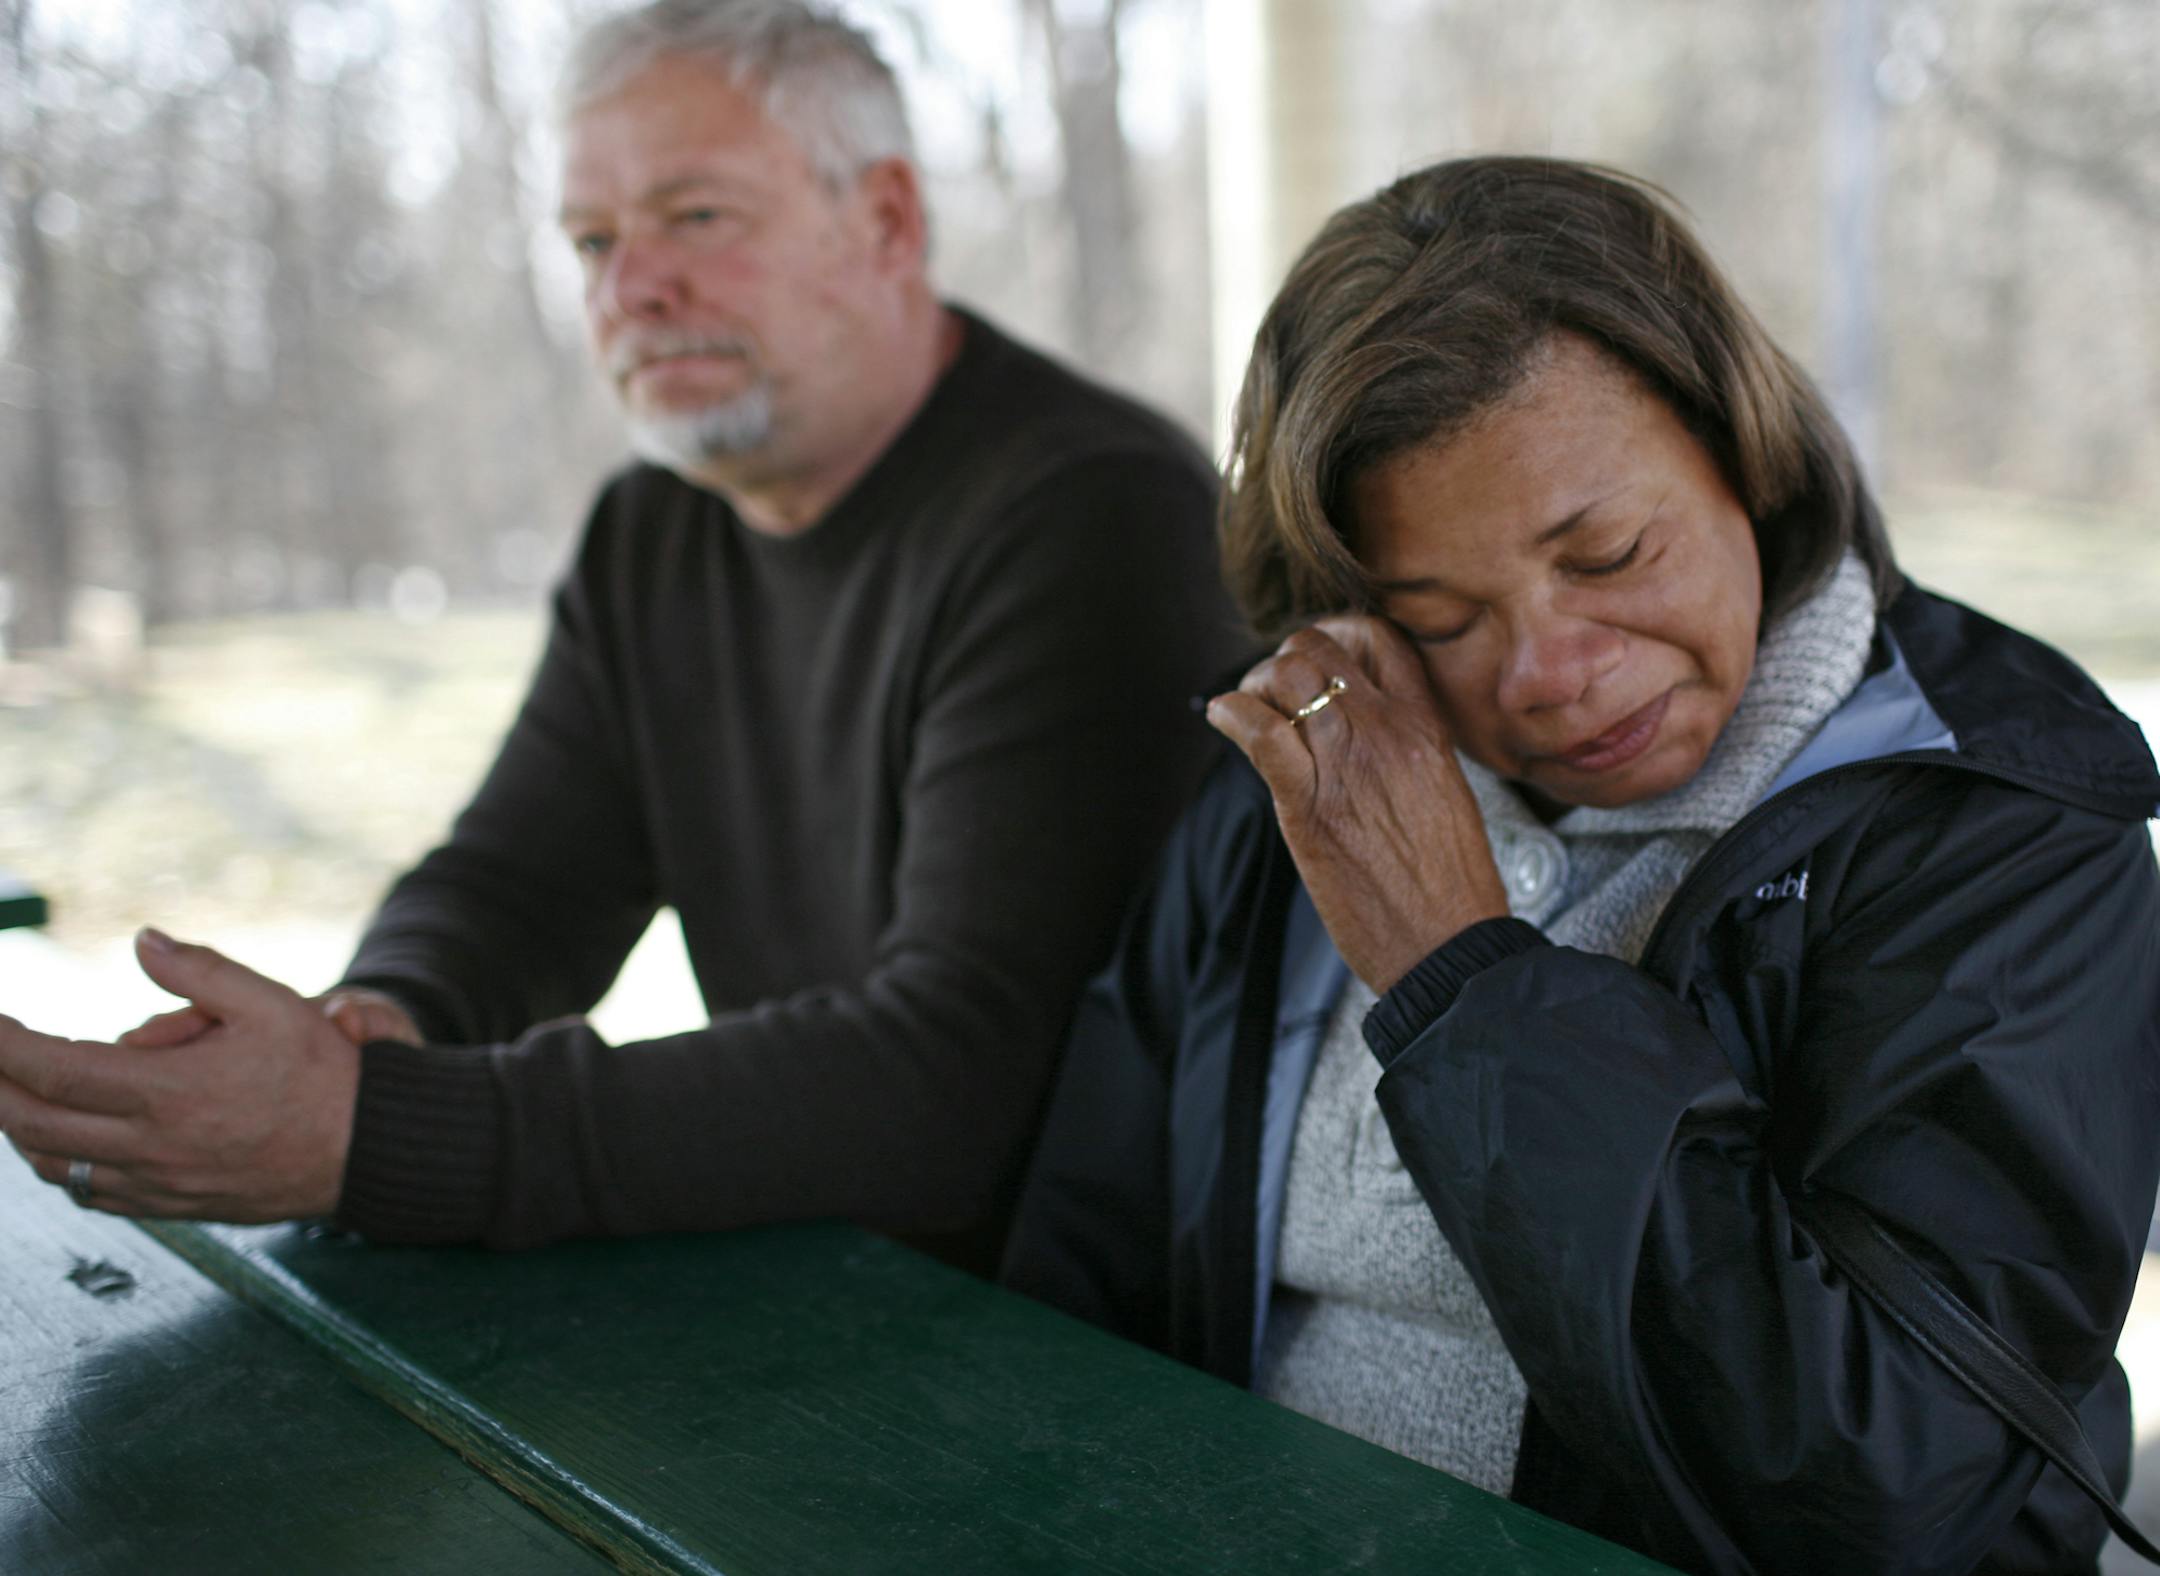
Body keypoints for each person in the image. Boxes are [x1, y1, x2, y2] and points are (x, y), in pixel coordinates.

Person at [1001, 156, 2160, 1572]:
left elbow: (1887, 1481)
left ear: (1749, 455)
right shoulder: (1319, 769)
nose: (1552, 674)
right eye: (1439, 616)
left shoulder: (1996, 819)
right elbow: (1082, 1273)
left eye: (1608, 553)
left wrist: (1461, 981)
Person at [0, 0, 1239, 1273]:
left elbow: (958, 1083)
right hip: (811, 1287)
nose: (632, 287)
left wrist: (379, 1134)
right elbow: (517, 886)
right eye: (592, 240)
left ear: (885, 221)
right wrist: (381, 1024)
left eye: (696, 217)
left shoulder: (1092, 511)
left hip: (1082, 1367)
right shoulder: (655, 529)